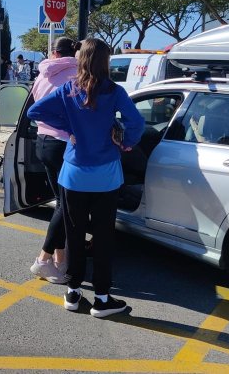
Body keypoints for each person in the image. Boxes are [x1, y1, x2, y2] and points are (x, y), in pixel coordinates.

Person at [27, 38, 145, 318]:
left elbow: (35, 111)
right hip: (106, 178)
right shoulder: (114, 91)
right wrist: (126, 141)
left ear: (80, 60)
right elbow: (137, 123)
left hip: (73, 176)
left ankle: (73, 292)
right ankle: (102, 300)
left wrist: (69, 127)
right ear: (105, 61)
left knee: (73, 235)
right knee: (103, 238)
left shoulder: (69, 89)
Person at [28, 37, 78, 284]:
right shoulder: (77, 74)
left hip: (42, 142)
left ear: (54, 53)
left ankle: (60, 258)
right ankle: (43, 260)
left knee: (61, 201)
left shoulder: (42, 75)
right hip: (65, 143)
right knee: (66, 204)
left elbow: (35, 105)